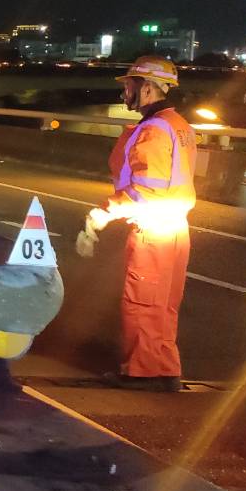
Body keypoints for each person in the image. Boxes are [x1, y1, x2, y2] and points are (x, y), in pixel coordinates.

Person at [76, 56, 196, 392]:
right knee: (163, 306)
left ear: (146, 88)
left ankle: (141, 373)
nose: (124, 92)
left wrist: (103, 213)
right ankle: (166, 369)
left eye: (129, 86)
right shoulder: (179, 125)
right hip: (175, 229)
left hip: (154, 230)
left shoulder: (152, 131)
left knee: (142, 302)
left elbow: (146, 191)